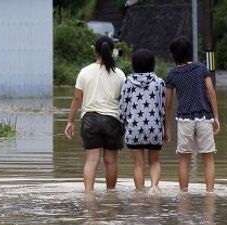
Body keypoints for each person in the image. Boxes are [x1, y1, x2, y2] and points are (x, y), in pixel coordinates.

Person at [65, 36, 126, 192]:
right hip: (112, 120)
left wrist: (70, 122)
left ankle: (89, 195)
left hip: (90, 120)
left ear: (95, 51)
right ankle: (111, 195)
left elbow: (77, 98)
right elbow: (124, 101)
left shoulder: (84, 72)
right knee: (111, 161)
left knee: (92, 160)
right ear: (113, 51)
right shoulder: (119, 74)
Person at [164, 37, 221, 193]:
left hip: (184, 120)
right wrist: (216, 116)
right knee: (208, 159)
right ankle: (210, 194)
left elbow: (167, 104)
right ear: (189, 53)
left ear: (174, 55)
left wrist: (167, 127)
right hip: (205, 117)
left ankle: (183, 194)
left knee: (183, 160)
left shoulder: (172, 75)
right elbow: (211, 92)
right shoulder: (201, 68)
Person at [120, 49, 167, 193]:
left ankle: (140, 192)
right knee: (155, 161)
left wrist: (124, 122)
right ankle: (154, 187)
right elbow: (163, 107)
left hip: (134, 128)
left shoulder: (128, 82)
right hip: (154, 128)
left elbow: (122, 107)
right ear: (152, 64)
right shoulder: (159, 83)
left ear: (134, 65)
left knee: (138, 164)